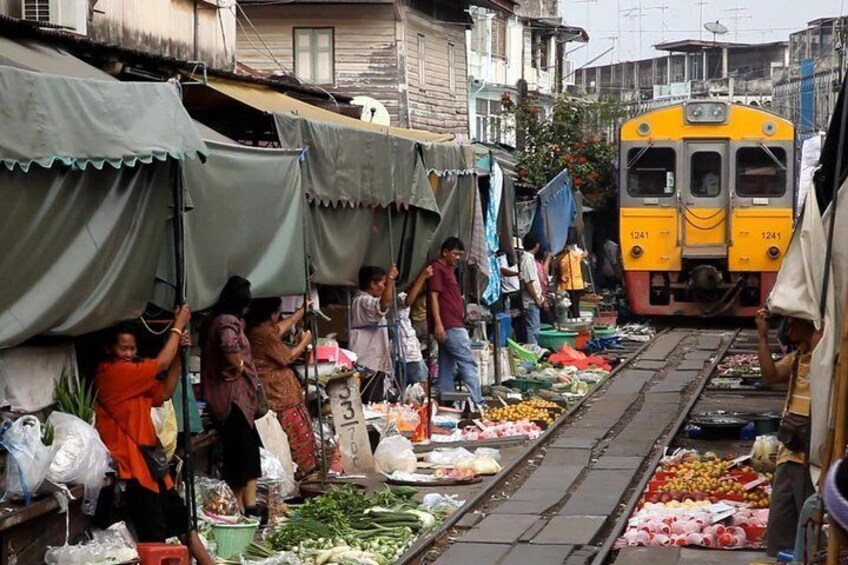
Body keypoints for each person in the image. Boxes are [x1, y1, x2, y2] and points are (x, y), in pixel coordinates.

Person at [95, 307, 214, 565]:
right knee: (155, 538)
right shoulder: (113, 374)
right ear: (110, 349)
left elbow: (165, 393)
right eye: (123, 348)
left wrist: (180, 356)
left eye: (132, 349)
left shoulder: (132, 377)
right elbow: (160, 363)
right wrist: (179, 324)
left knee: (185, 524)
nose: (129, 354)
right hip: (134, 470)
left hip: (152, 465)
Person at [757, 309, 821, 557]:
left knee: (808, 525)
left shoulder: (827, 360)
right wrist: (763, 337)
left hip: (812, 452)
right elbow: (770, 375)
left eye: (794, 321)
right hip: (789, 451)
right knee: (781, 522)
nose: (789, 327)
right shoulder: (797, 357)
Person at [201, 276, 262, 516]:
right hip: (231, 400)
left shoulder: (227, 320)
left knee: (249, 454)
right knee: (239, 457)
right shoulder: (226, 322)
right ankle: (235, 512)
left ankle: (251, 507)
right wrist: (237, 364)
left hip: (240, 400)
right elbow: (228, 344)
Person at [246, 297, 317, 478]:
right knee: (294, 435)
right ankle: (301, 472)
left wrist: (300, 312)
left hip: (280, 391)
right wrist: (304, 342)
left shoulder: (260, 330)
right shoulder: (263, 334)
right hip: (278, 393)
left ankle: (302, 471)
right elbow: (287, 357)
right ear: (271, 314)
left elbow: (281, 327)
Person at [429, 237, 484, 407]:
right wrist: (438, 323)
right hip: (450, 325)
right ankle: (478, 402)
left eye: (460, 255)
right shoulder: (438, 269)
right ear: (445, 252)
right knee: (468, 363)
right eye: (455, 254)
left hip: (451, 324)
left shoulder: (448, 270)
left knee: (446, 365)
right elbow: (433, 296)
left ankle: (446, 402)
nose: (458, 258)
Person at [350, 265, 398, 374]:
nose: (385, 287)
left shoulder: (363, 300)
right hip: (367, 361)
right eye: (383, 283)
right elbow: (384, 304)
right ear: (372, 284)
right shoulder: (363, 301)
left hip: (372, 360)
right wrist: (390, 279)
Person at [397, 265, 435, 391]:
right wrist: (423, 276)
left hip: (405, 348)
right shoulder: (398, 297)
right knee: (421, 386)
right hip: (406, 349)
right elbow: (408, 301)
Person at [519, 233, 546, 346]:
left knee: (533, 328)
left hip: (532, 299)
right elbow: (528, 282)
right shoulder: (528, 260)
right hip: (530, 300)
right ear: (536, 245)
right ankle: (533, 351)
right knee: (533, 329)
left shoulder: (528, 259)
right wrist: (536, 299)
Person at [557, 232, 588, 319]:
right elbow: (583, 256)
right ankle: (575, 318)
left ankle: (573, 318)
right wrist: (585, 254)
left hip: (569, 284)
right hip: (574, 284)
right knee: (574, 304)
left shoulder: (561, 257)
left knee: (571, 305)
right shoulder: (573, 255)